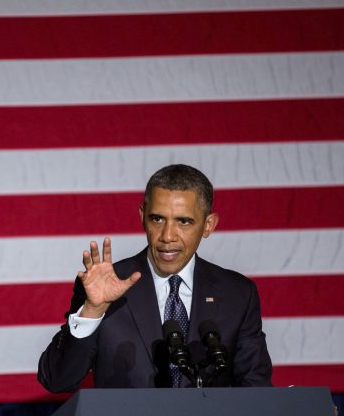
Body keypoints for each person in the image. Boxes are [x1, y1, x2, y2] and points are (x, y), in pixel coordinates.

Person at [37, 164, 272, 391]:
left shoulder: (237, 294)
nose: (167, 236)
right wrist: (92, 312)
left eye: (184, 221)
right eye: (157, 219)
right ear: (142, 216)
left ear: (208, 225)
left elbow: (256, 390)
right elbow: (57, 380)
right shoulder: (105, 286)